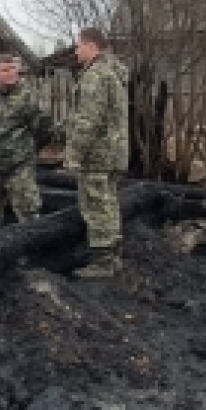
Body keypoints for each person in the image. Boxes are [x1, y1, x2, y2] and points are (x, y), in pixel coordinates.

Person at [65, 27, 130, 279]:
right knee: (109, 203)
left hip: (98, 154)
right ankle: (113, 255)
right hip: (114, 152)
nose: (75, 51)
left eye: (78, 45)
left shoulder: (95, 76)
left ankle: (103, 262)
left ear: (92, 46)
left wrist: (74, 155)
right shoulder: (113, 73)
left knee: (96, 206)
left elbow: (88, 121)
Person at [0, 55, 54, 234]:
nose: (10, 73)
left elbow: (44, 129)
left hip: (19, 166)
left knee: (28, 212)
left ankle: (33, 248)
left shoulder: (28, 97)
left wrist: (28, 150)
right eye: (5, 70)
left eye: (13, 69)